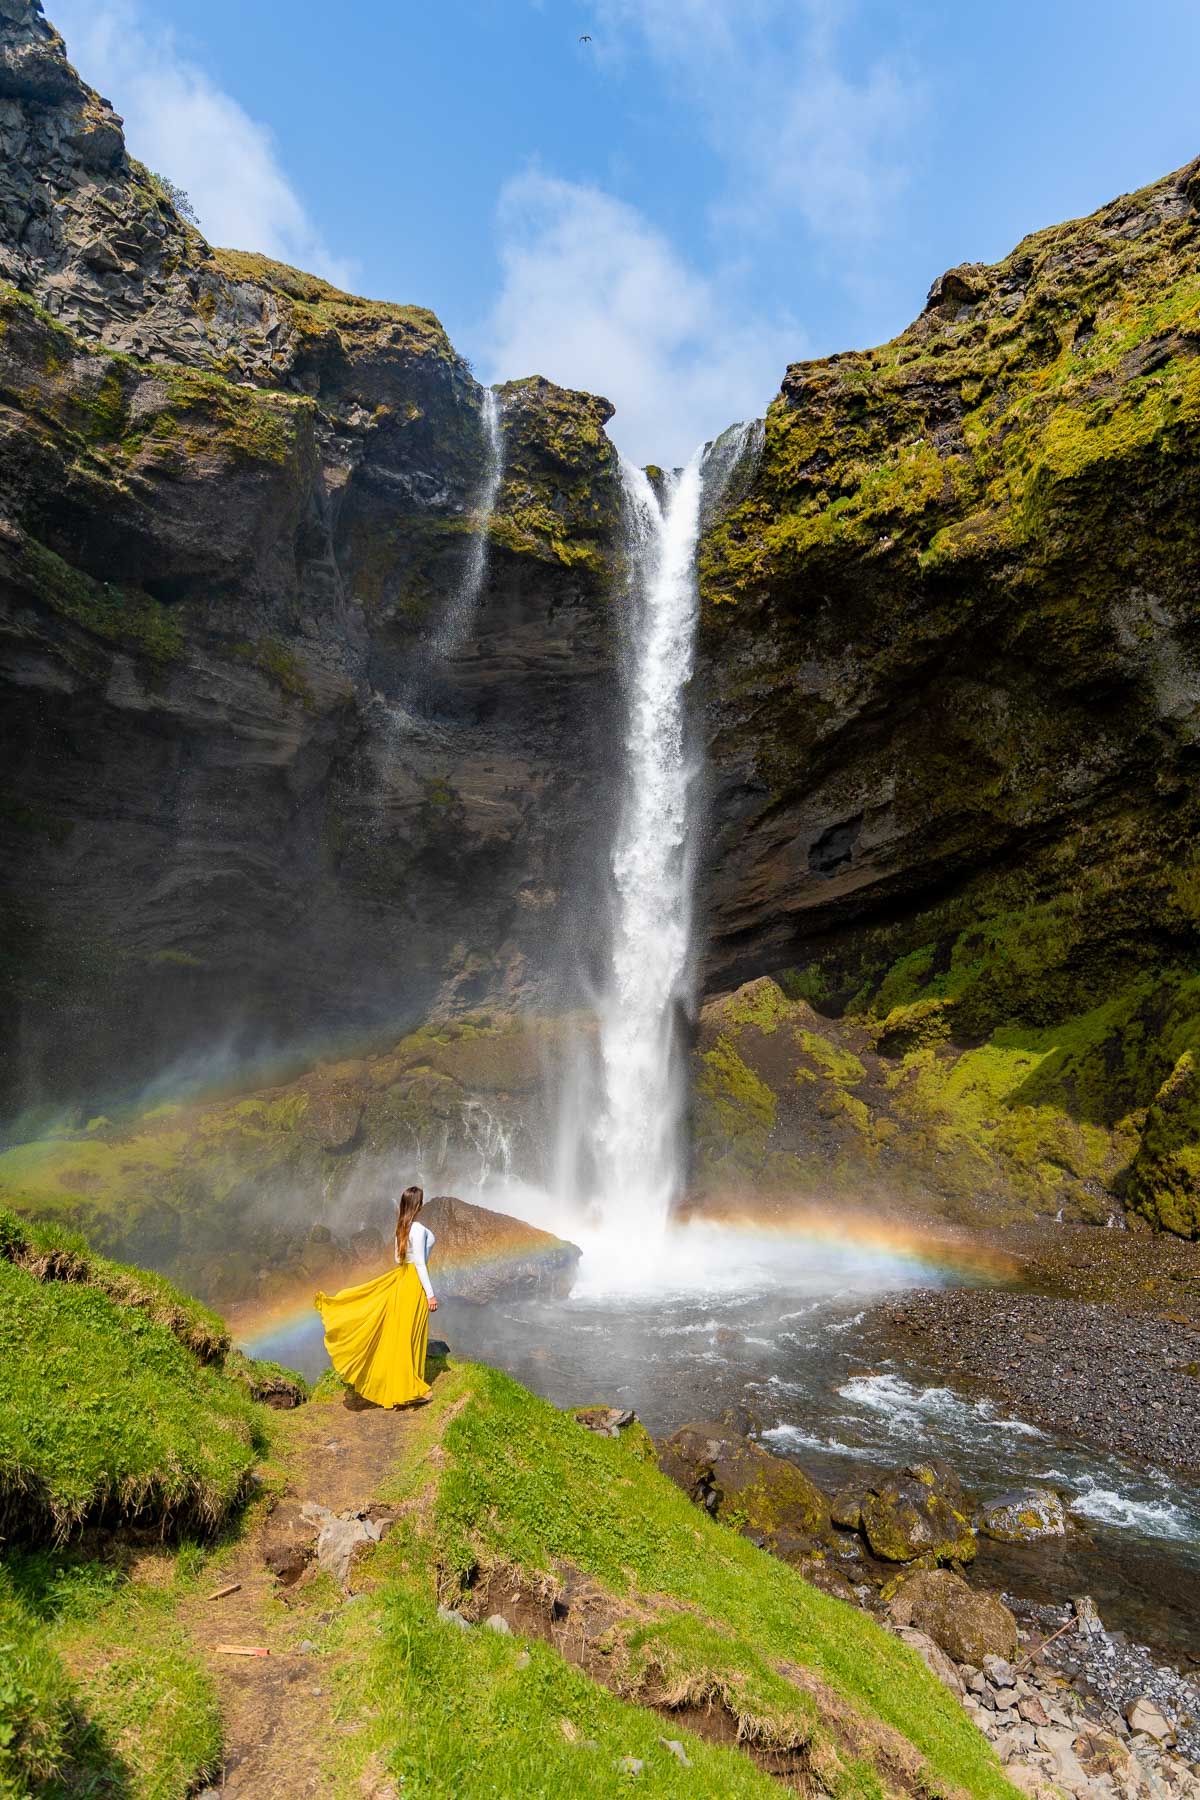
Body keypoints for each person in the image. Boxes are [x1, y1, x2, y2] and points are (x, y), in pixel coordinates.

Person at [314, 1185, 438, 1408]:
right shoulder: (417, 1228)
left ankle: (402, 1384)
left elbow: (399, 1260)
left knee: (402, 1335)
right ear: (418, 1205)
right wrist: (430, 1295)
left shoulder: (401, 1227)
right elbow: (420, 1263)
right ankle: (409, 1388)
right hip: (414, 1284)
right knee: (411, 1335)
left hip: (402, 1280)